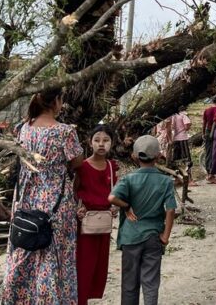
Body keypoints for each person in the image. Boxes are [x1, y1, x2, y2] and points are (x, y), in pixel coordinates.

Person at [2, 88, 85, 305]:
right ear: (56, 101)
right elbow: (77, 162)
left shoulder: (23, 128)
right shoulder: (65, 132)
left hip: (25, 200)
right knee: (54, 254)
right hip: (55, 203)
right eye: (61, 99)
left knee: (24, 248)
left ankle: (18, 299)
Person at [109, 135, 176, 305]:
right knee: (151, 283)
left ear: (134, 156)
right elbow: (170, 209)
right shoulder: (165, 181)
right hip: (154, 237)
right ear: (158, 156)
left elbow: (112, 198)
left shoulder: (129, 179)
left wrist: (125, 206)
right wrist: (165, 236)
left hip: (130, 238)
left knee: (129, 283)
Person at [74, 124, 119, 305]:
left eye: (106, 140)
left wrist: (114, 206)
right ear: (89, 142)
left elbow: (115, 192)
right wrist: (77, 208)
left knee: (99, 266)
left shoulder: (111, 166)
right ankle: (79, 300)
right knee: (84, 265)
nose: (101, 144)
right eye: (97, 140)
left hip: (104, 223)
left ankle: (88, 297)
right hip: (86, 223)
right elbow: (74, 191)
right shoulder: (82, 167)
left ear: (112, 143)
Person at [202, 95, 216, 182]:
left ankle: (209, 173)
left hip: (208, 131)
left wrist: (203, 133)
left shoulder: (207, 110)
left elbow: (204, 123)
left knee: (208, 152)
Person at [170, 106, 193, 172]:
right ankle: (188, 174)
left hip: (175, 138)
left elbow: (172, 127)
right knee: (186, 157)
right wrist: (187, 128)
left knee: (176, 157)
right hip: (183, 137)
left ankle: (177, 172)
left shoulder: (174, 116)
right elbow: (186, 126)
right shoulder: (184, 115)